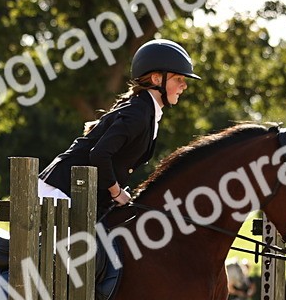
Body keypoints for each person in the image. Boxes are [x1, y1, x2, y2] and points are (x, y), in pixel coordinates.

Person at [39, 39, 200, 216]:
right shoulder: (138, 113)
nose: (184, 85)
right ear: (156, 79)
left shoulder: (145, 111)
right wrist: (117, 193)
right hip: (60, 191)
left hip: (79, 195)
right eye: (178, 79)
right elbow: (99, 154)